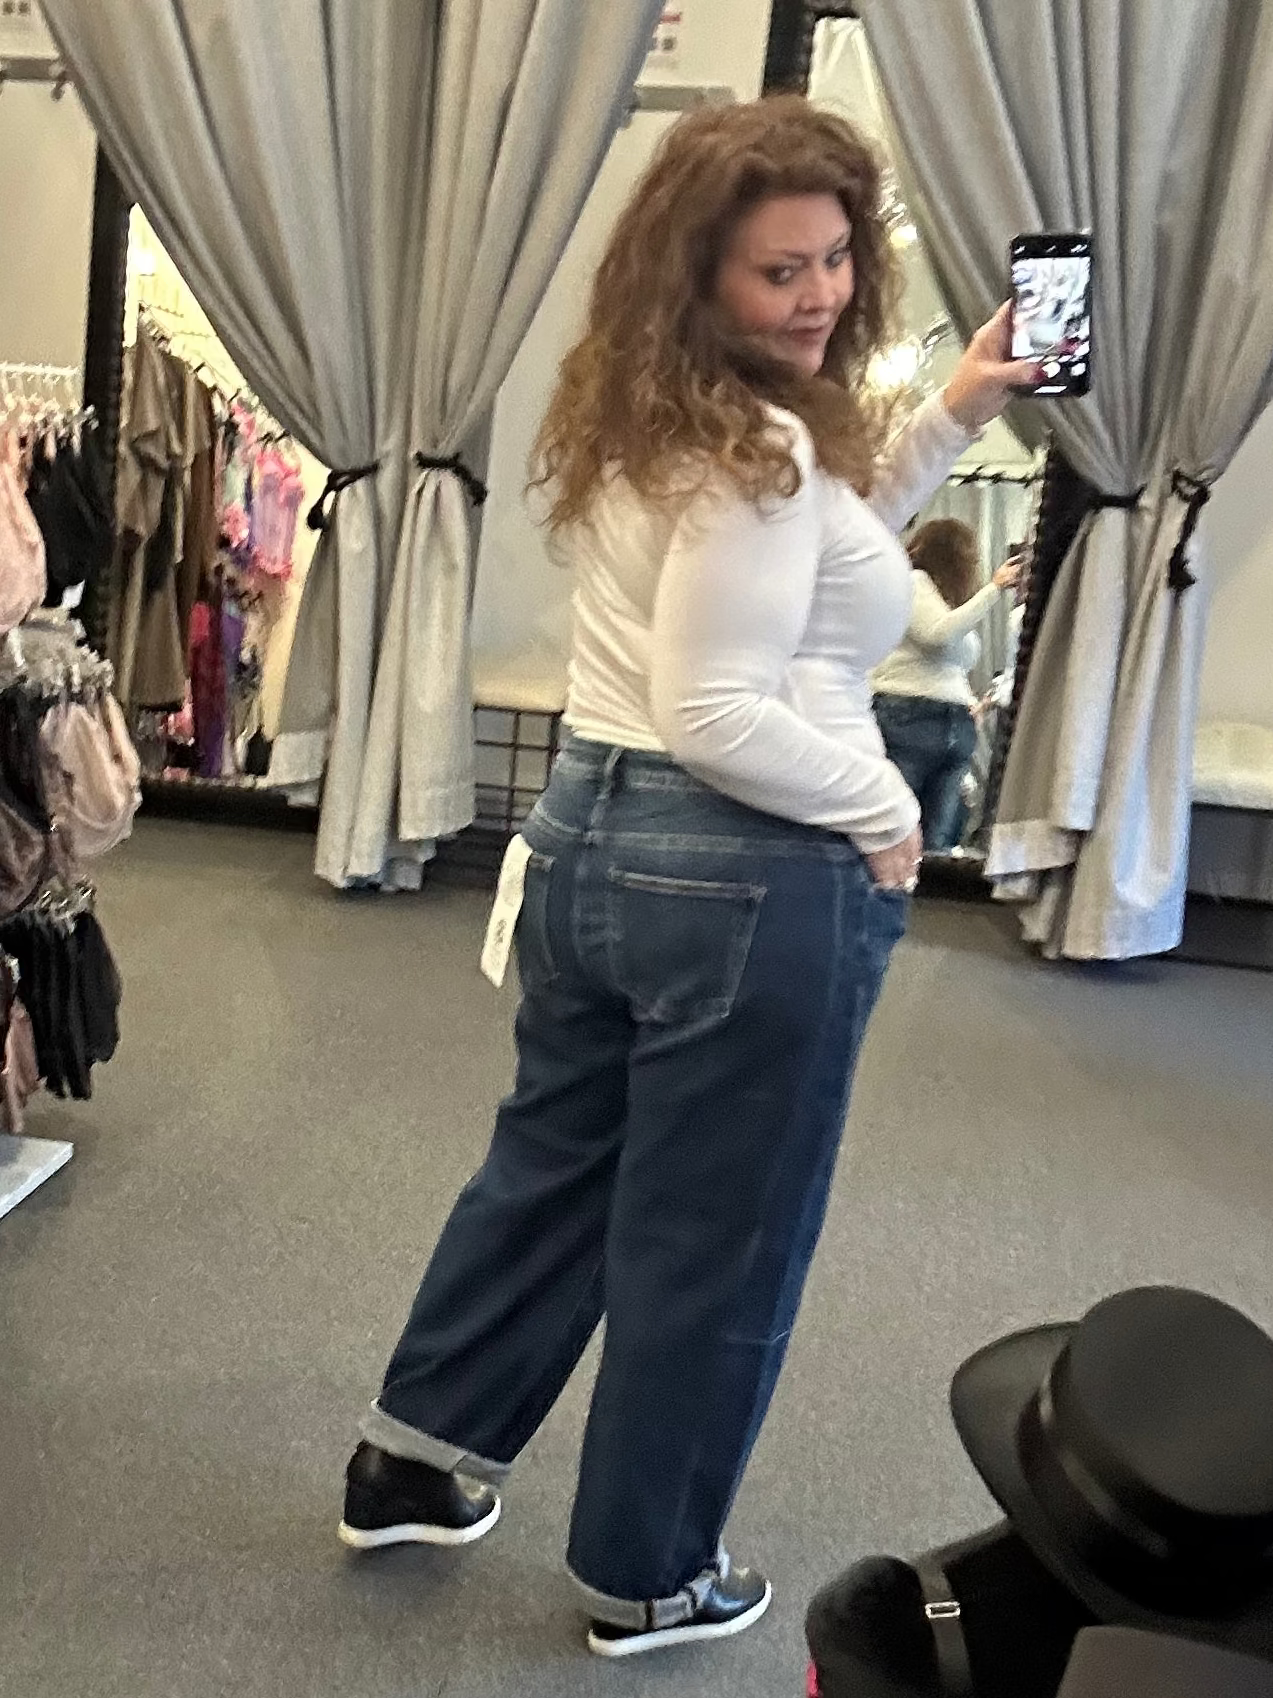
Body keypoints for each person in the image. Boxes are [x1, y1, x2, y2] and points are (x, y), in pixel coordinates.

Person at [338, 95, 1036, 1660]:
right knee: (716, 1232)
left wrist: (956, 407)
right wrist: (883, 808)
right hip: (742, 862)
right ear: (700, 272)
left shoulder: (659, 411)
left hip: (589, 836)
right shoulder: (760, 451)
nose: (821, 295)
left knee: (552, 1174)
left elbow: (811, 557)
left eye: (836, 259)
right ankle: (650, 1573)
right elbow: (719, 708)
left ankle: (414, 1461)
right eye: (780, 270)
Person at [872, 520, 1021, 851]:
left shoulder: (944, 601)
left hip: (944, 720)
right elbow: (938, 636)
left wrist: (969, 703)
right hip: (911, 716)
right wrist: (993, 590)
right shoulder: (914, 583)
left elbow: (951, 663)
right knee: (900, 834)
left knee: (928, 838)